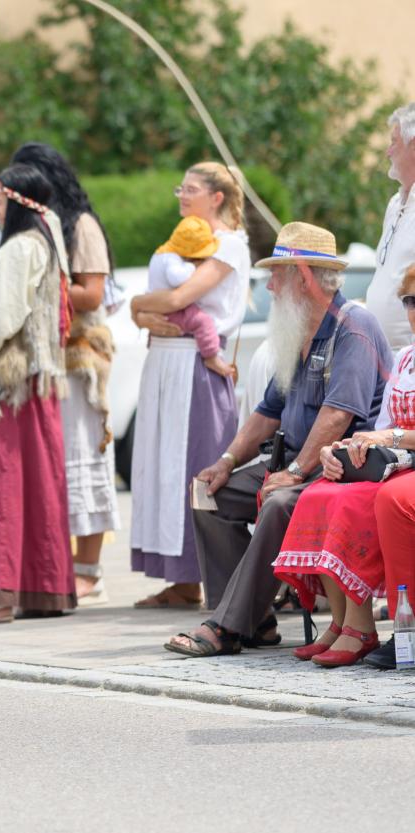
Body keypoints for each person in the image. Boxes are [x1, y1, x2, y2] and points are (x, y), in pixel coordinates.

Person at [164, 222, 393, 657]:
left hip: (338, 469)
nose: (269, 286)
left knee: (280, 503)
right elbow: (267, 414)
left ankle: (227, 626)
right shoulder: (300, 330)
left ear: (303, 277)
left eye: (276, 275)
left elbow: (338, 415)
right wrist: (226, 461)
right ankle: (254, 622)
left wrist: (294, 472)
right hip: (296, 463)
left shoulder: (352, 326)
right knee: (207, 494)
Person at [273, 263, 415, 668]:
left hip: (405, 462)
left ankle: (402, 626)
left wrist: (386, 439)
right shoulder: (405, 359)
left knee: (384, 499)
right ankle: (344, 622)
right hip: (399, 460)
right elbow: (381, 428)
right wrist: (342, 449)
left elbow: (388, 434)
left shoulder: (355, 330)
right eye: (409, 301)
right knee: (321, 492)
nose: (414, 310)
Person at [0, 165, 75, 624]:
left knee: (1, 483)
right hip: (38, 380)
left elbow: (2, 315)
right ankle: (39, 590)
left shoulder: (21, 245)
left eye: (1, 201)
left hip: (10, 383)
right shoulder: (47, 238)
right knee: (37, 484)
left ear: (21, 204)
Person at [127, 162, 250, 609]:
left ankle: (209, 575)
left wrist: (137, 304)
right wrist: (143, 314)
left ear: (216, 197)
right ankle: (180, 581)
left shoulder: (229, 244)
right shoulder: (186, 241)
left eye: (192, 189)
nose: (182, 195)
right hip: (165, 362)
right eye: (181, 187)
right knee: (162, 465)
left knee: (195, 464)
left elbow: (181, 297)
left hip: (197, 364)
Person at [13, 142, 122, 604]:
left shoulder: (82, 225)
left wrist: (35, 282)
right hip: (45, 358)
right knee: (52, 463)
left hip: (79, 358)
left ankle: (89, 570)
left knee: (82, 457)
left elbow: (93, 293)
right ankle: (56, 564)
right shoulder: (37, 225)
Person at [148, 217, 237, 378]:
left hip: (158, 308)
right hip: (172, 312)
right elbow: (176, 278)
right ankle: (211, 356)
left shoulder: (159, 254)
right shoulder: (172, 259)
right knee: (203, 321)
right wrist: (192, 267)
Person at [366, 103, 415, 353]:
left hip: (409, 355)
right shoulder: (395, 204)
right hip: (383, 354)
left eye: (394, 142)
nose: (388, 151)